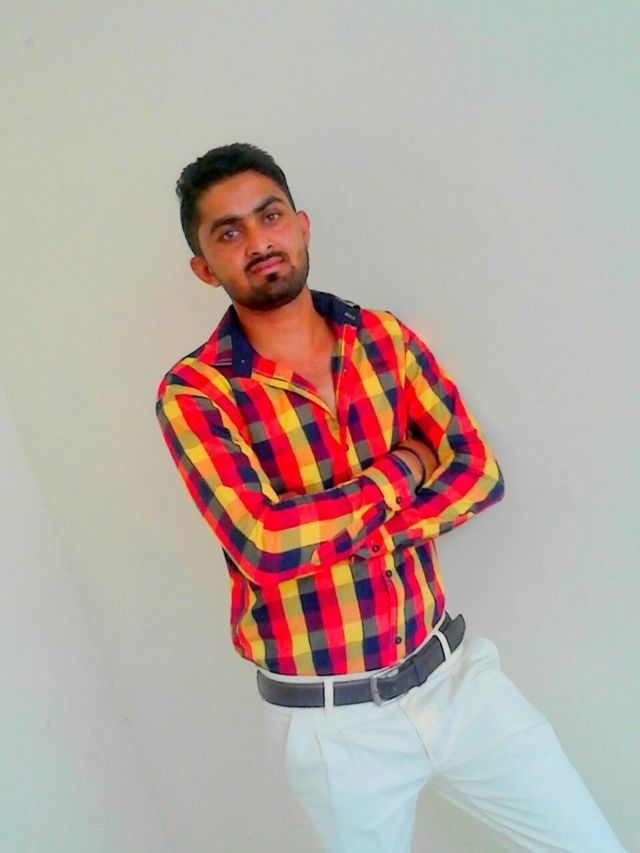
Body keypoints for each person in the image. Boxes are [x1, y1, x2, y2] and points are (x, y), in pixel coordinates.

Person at [155, 143, 625, 852]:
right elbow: (267, 544)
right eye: (229, 232)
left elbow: (478, 473)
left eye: (270, 216)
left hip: (456, 680)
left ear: (302, 225)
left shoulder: (385, 340)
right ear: (204, 267)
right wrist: (403, 469)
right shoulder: (197, 393)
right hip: (333, 725)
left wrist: (357, 535)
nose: (258, 242)